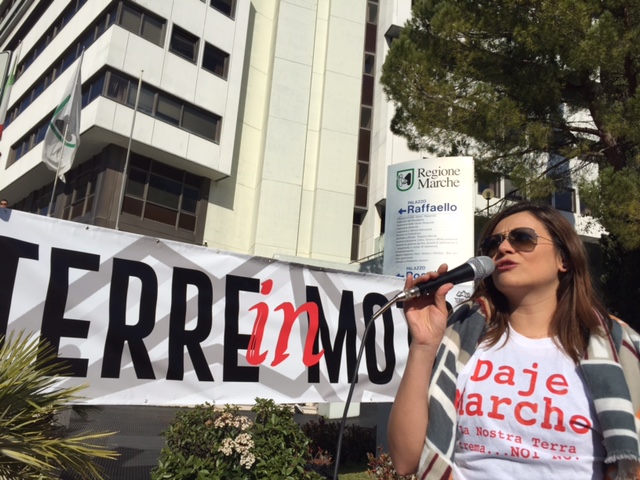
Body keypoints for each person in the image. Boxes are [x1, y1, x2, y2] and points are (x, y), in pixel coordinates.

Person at [388, 202, 640, 480]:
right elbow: (406, 460)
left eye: (522, 238)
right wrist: (424, 344)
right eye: (492, 243)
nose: (504, 248)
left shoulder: (619, 347)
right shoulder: (460, 338)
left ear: (564, 259)